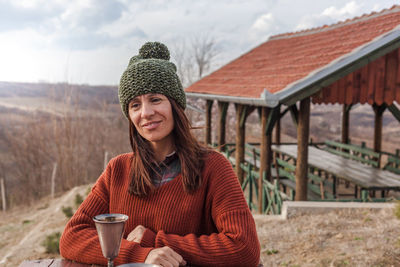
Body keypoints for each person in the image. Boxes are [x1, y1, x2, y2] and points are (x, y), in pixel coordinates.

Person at [59, 41, 261, 267]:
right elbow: (72, 237)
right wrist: (140, 254)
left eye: (155, 99)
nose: (146, 113)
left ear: (175, 106)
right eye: (135, 105)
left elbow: (244, 248)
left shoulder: (214, 167)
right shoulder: (118, 169)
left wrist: (155, 241)